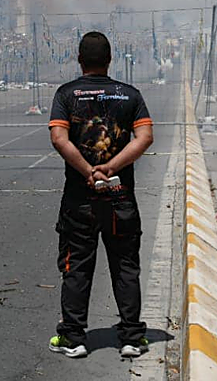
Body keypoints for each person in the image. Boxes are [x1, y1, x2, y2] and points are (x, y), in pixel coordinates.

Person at [47, 31, 154, 359]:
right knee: (125, 265)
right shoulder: (130, 95)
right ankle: (132, 338)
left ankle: (74, 338)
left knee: (76, 265)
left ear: (79, 60)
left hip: (80, 199)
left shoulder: (67, 94)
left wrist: (88, 171)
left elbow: (59, 139)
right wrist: (111, 168)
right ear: (110, 60)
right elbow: (145, 137)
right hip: (120, 199)